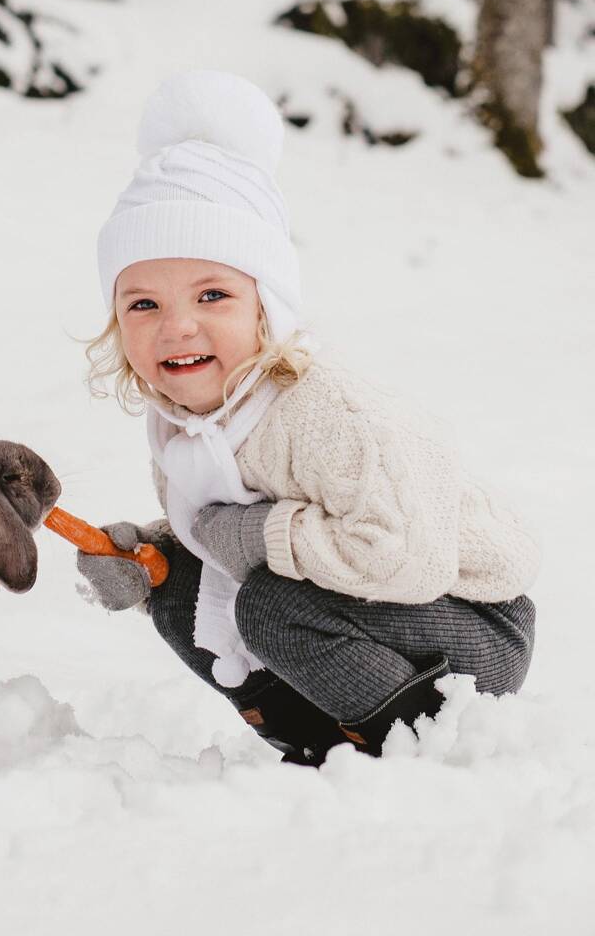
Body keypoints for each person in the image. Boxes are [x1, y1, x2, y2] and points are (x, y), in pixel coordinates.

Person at [77, 70, 540, 766]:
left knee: (269, 606)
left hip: (469, 623)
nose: (178, 327)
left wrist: (253, 536)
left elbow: (404, 559)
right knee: (179, 588)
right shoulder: (184, 421)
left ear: (268, 308)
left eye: (212, 294)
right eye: (144, 304)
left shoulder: (325, 411)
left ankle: (420, 748)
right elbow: (226, 535)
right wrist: (148, 554)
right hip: (371, 615)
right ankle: (320, 750)